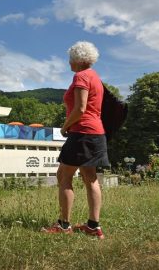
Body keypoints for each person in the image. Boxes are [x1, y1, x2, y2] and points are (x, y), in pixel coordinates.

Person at [42, 41, 109, 239]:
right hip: (96, 133)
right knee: (91, 178)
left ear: (78, 60)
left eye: (70, 59)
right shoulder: (95, 77)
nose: (69, 63)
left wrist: (64, 127)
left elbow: (80, 108)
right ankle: (93, 226)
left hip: (81, 132)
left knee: (63, 175)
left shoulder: (81, 76)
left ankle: (63, 225)